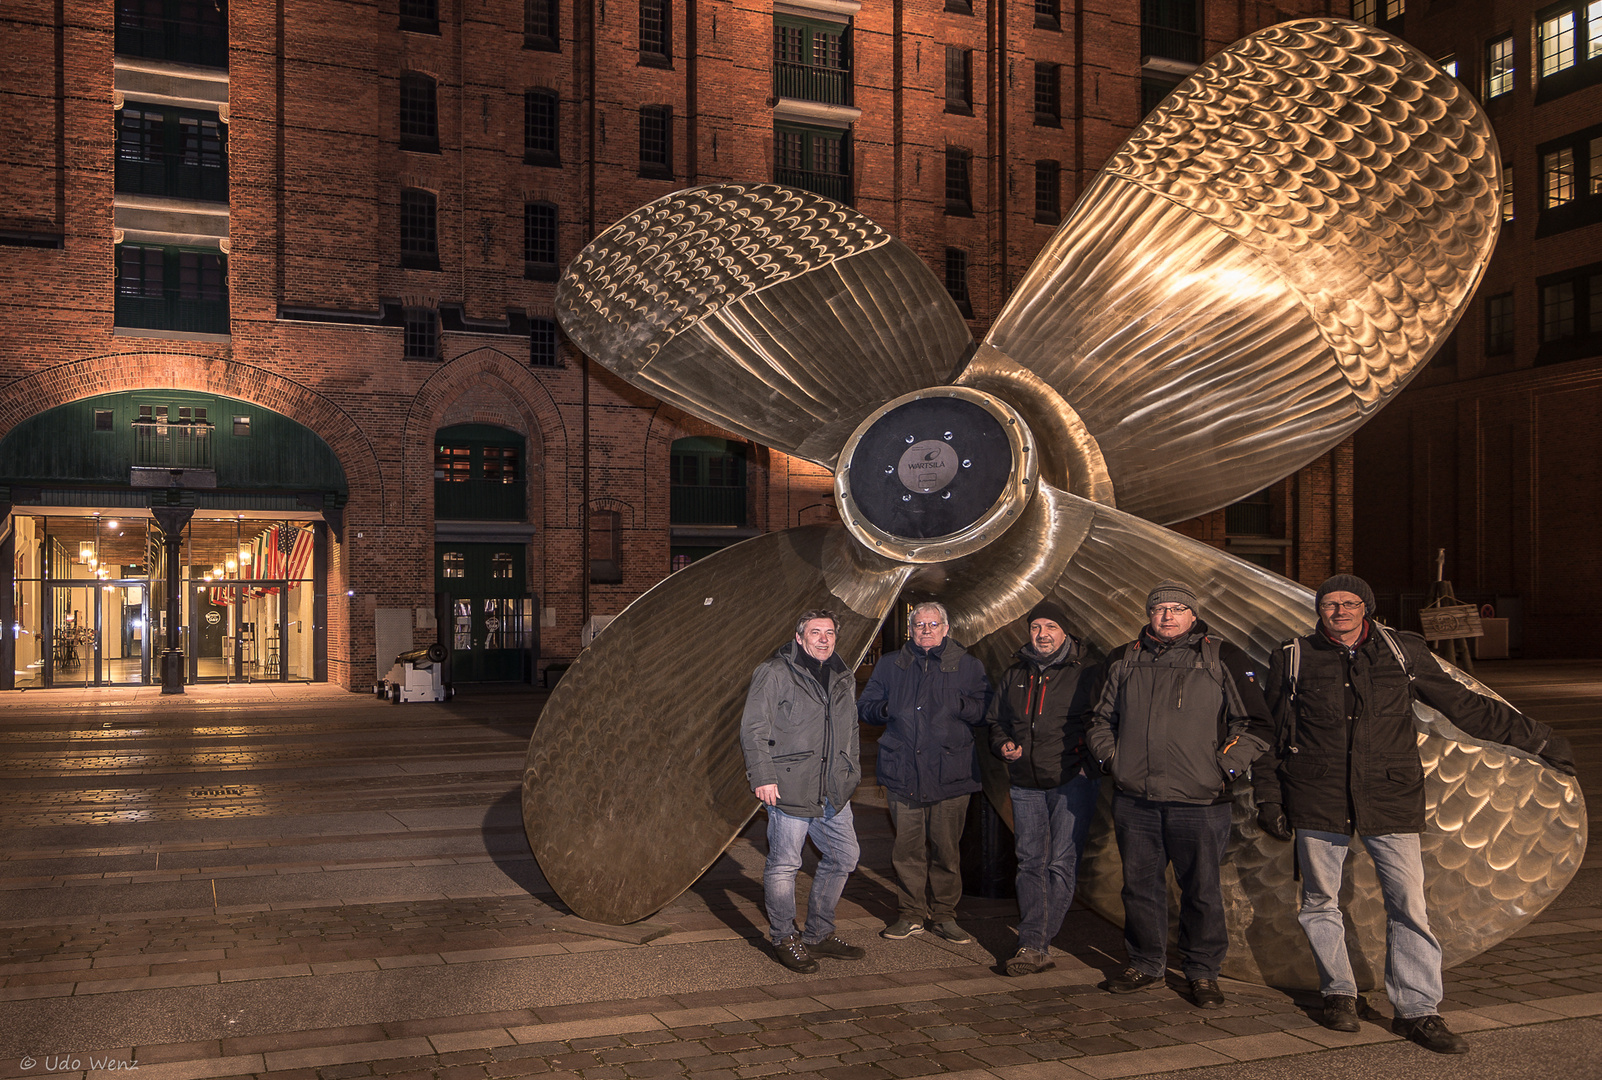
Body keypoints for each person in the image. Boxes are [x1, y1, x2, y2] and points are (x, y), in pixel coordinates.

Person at [1254, 574, 1577, 1054]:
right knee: (1320, 902)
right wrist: (1269, 797)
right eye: (1329, 604)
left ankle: (1418, 1010)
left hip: (1390, 796)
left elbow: (1463, 706)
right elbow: (1272, 732)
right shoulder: (1294, 656)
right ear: (1319, 610)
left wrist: (1540, 738)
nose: (1339, 611)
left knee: (1409, 907)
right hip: (1318, 796)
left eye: (1349, 603)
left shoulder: (1402, 652)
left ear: (1366, 607)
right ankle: (1338, 993)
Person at [1087, 581, 1272, 1009]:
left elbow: (1256, 724)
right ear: (1149, 615)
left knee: (1202, 890)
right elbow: (1097, 719)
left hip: (1201, 802)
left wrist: (1221, 768)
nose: (1168, 616)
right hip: (1137, 800)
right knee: (1139, 888)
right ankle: (1146, 964)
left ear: (1193, 614)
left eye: (1177, 608)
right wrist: (1116, 762)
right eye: (1159, 609)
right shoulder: (1123, 659)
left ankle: (1202, 972)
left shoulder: (1221, 655)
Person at [738, 608, 867, 973]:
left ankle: (818, 933)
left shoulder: (844, 676)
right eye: (815, 632)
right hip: (790, 785)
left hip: (833, 787)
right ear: (800, 637)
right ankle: (783, 936)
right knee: (785, 865)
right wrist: (763, 775)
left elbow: (852, 729)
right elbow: (753, 727)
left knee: (844, 856)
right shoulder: (775, 672)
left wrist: (851, 770)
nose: (823, 639)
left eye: (829, 633)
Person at [858, 602, 991, 944]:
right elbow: (866, 708)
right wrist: (888, 708)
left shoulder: (968, 665)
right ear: (910, 630)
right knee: (907, 850)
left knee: (947, 850)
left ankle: (945, 915)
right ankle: (911, 914)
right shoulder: (891, 665)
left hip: (951, 775)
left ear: (946, 629)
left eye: (933, 624)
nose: (926, 630)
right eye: (919, 625)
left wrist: (961, 705)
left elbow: (986, 710)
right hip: (903, 773)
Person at [986, 599, 1105, 976]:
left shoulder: (1087, 673)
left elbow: (1104, 722)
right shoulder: (1015, 673)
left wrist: (1088, 766)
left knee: (1060, 863)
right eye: (1036, 628)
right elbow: (996, 721)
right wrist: (1002, 744)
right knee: (1030, 862)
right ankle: (1035, 943)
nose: (1042, 635)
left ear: (1064, 631)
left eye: (1050, 627)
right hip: (1025, 783)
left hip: (1072, 782)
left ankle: (1034, 942)